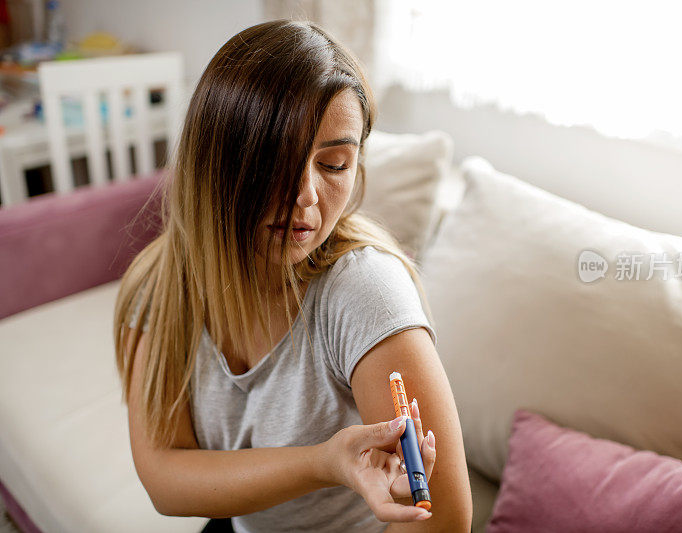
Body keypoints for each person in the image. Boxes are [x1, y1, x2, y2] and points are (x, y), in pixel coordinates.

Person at [113, 18, 472, 533]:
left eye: (333, 165)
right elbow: (164, 478)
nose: (305, 195)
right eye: (275, 157)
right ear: (215, 161)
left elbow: (445, 522)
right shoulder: (160, 286)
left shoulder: (364, 291)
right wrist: (326, 463)